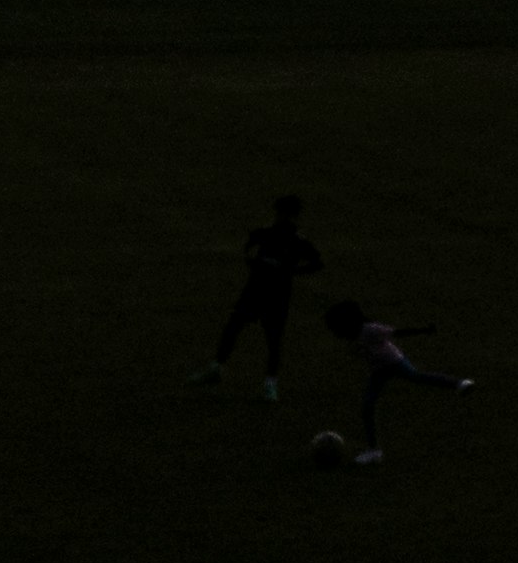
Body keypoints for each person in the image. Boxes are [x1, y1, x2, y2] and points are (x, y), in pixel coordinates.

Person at [198, 193, 321, 396]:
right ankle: (219, 368)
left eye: (285, 213)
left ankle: (268, 383)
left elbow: (317, 263)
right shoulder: (274, 234)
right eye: (282, 213)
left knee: (269, 339)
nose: (282, 217)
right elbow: (249, 246)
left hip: (271, 295)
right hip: (259, 292)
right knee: (235, 328)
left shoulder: (293, 239)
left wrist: (289, 271)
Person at [322, 297, 471, 462]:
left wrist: (423, 330)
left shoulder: (370, 329)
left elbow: (396, 332)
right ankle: (374, 451)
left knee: (417, 376)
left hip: (394, 362)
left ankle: (459, 383)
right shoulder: (353, 339)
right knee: (367, 406)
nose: (336, 333)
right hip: (379, 370)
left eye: (337, 328)